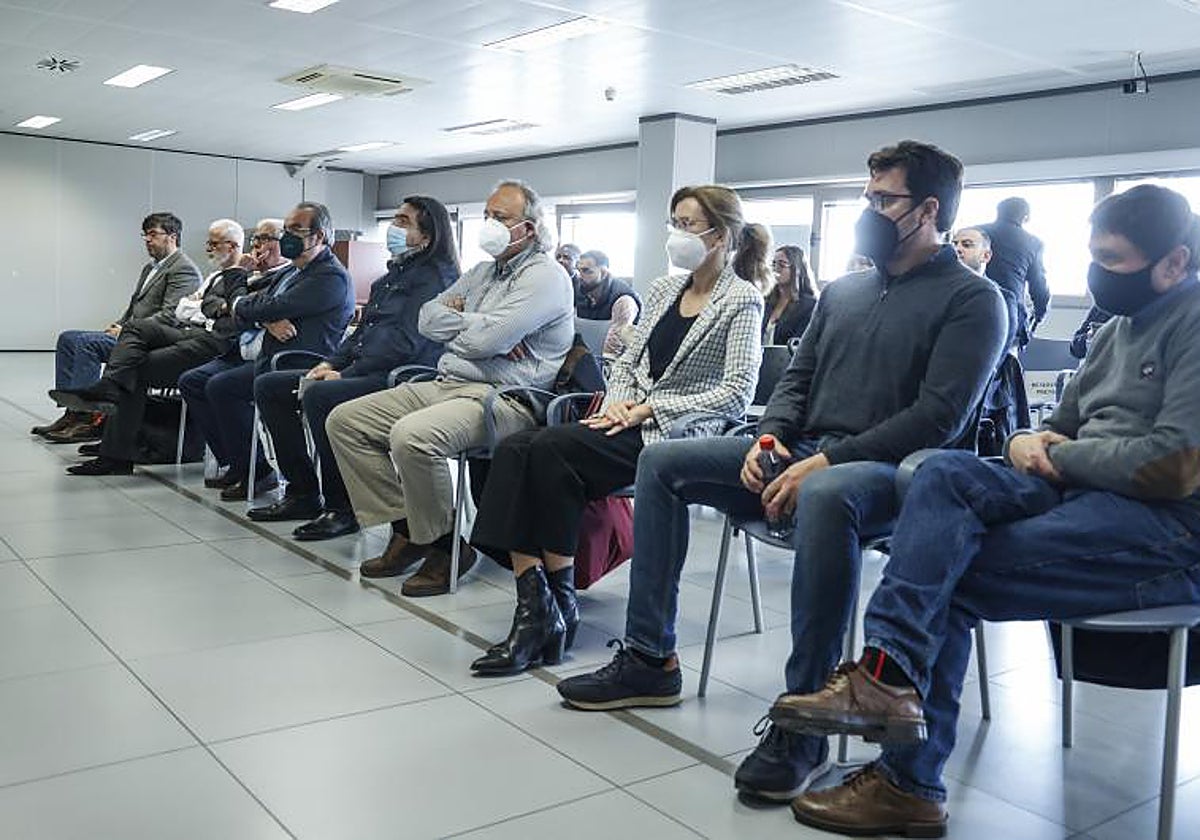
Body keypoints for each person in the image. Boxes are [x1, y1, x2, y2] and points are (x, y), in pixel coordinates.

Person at [556, 141, 1008, 807]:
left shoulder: (975, 300)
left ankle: (805, 721)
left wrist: (822, 460)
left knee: (825, 494)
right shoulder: (847, 290)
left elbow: (937, 418)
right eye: (866, 198)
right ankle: (651, 657)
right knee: (662, 460)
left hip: (890, 474)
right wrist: (774, 438)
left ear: (929, 210)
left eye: (884, 200)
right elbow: (797, 379)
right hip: (807, 450)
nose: (869, 211)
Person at [769, 184, 1200, 838]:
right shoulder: (1117, 327)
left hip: (1162, 531)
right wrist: (1028, 441)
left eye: (1111, 260)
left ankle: (905, 774)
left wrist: (1065, 455)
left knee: (948, 576)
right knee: (940, 470)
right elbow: (1052, 425)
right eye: (1092, 256)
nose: (1096, 274)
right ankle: (887, 688)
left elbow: (1174, 467)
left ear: (1174, 262)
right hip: (1078, 491)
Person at [468, 185, 766, 676]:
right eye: (675, 223)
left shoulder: (742, 301)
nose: (677, 235)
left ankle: (548, 610)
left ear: (721, 235)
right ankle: (544, 605)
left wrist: (648, 411)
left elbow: (736, 391)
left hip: (674, 434)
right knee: (519, 446)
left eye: (688, 225)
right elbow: (627, 358)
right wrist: (617, 403)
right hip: (622, 418)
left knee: (546, 452)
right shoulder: (665, 289)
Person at [325, 180, 574, 597]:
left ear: (528, 229)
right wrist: (481, 326)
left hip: (505, 398)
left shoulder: (547, 277)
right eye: (489, 215)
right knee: (346, 421)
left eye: (503, 217)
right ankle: (410, 533)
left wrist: (467, 326)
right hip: (449, 382)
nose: (491, 223)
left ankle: (444, 549)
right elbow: (428, 318)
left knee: (413, 436)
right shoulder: (481, 272)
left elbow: (483, 342)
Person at [246, 197, 459, 540]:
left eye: (404, 222)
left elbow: (406, 342)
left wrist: (345, 375)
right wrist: (330, 362)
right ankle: (302, 492)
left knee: (321, 396)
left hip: (403, 376)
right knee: (271, 386)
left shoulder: (435, 278)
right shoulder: (393, 274)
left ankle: (342, 507)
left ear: (427, 235)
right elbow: (362, 332)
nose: (394, 227)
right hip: (366, 367)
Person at [180, 203, 353, 501]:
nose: (287, 237)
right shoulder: (295, 272)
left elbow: (261, 305)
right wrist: (263, 316)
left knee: (227, 387)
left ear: (319, 236)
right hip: (268, 357)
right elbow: (254, 304)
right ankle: (246, 466)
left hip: (299, 363)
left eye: (295, 230)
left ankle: (277, 480)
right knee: (201, 382)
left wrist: (251, 307)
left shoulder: (327, 276)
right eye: (285, 230)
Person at [54, 219, 251, 476]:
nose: (208, 249)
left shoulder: (242, 275)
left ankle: (115, 452)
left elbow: (212, 310)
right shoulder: (214, 275)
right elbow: (186, 307)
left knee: (134, 371)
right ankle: (109, 396)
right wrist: (207, 305)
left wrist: (205, 304)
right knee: (135, 330)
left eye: (214, 244)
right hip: (191, 332)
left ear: (233, 245)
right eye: (208, 243)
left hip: (215, 344)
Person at [34, 212, 200, 444]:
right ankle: (73, 412)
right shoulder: (150, 268)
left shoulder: (183, 269)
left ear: (172, 236)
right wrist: (120, 323)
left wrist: (126, 331)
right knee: (68, 338)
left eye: (153, 234)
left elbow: (171, 315)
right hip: (131, 332)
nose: (147, 240)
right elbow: (135, 305)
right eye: (145, 235)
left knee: (86, 343)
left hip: (150, 341)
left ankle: (89, 418)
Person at [980, 197, 1051, 348]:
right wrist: (1039, 314)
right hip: (1009, 314)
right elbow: (1039, 285)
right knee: (1005, 366)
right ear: (1026, 217)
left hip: (968, 305)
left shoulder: (974, 233)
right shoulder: (1033, 243)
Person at [952, 226, 1019, 352]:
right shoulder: (937, 291)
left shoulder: (1004, 298)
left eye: (967, 245)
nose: (957, 249)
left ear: (986, 256)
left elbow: (998, 353)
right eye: (954, 244)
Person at [574, 249, 641, 357]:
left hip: (613, 362)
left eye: (586, 271)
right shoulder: (581, 291)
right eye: (579, 271)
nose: (580, 276)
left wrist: (602, 370)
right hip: (586, 356)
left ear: (604, 272)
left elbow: (614, 347)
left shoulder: (623, 300)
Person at [764, 245, 818, 345]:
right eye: (773, 264)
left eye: (782, 264)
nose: (775, 269)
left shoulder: (809, 305)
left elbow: (800, 343)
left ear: (796, 269)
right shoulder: (766, 300)